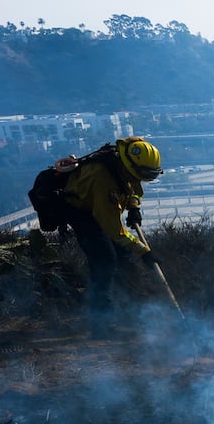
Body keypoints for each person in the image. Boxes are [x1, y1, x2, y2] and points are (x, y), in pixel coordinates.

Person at [47, 137, 163, 335]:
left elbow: (134, 187)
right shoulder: (102, 180)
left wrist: (134, 207)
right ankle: (101, 324)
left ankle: (129, 312)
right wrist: (144, 252)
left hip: (100, 209)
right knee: (105, 260)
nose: (140, 178)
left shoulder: (125, 166)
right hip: (83, 211)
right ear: (128, 166)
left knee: (124, 260)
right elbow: (114, 230)